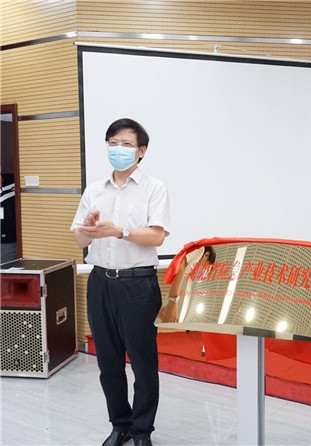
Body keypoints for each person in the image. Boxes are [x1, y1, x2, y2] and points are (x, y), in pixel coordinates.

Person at [71, 118, 170, 446]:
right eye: (113, 143)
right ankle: (120, 425)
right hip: (100, 283)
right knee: (108, 363)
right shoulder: (94, 190)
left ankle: (142, 431)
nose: (118, 149)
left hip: (138, 286)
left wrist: (120, 231)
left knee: (143, 364)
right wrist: (86, 229)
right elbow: (78, 241)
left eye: (126, 144)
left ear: (141, 151)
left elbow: (156, 237)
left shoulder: (154, 188)